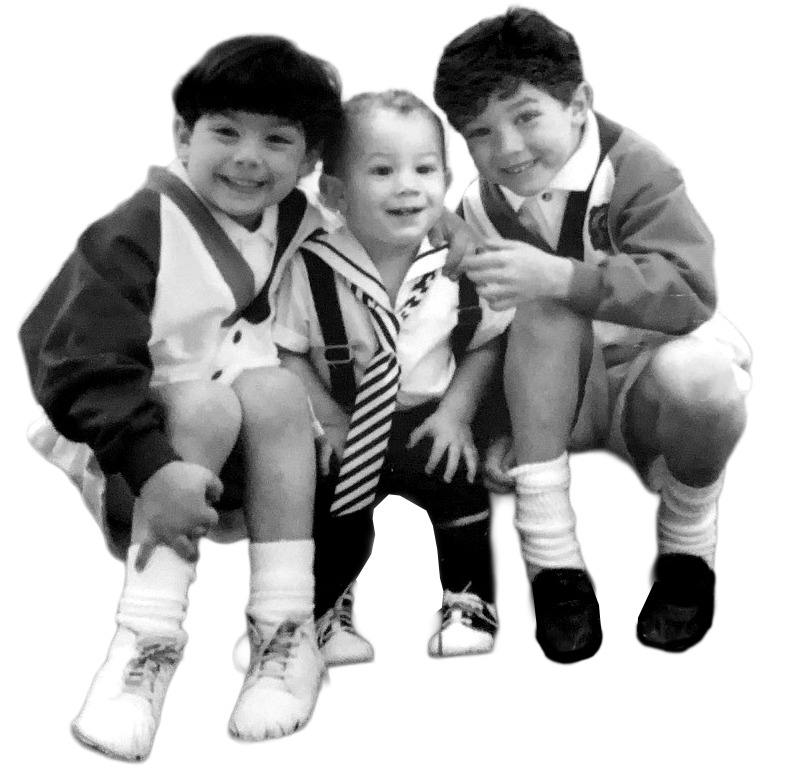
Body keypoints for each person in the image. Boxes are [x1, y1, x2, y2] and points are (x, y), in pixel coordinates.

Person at [16, 32, 348, 763]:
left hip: (244, 462)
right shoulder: (136, 226)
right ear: (181, 134)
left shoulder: (297, 213)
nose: (249, 158)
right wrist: (150, 463)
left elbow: (388, 215)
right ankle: (143, 641)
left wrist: (452, 225)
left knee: (276, 390)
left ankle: (285, 631)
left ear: (307, 158)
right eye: (225, 131)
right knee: (205, 404)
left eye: (277, 139)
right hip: (138, 457)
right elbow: (69, 355)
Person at [432, 2, 752, 655]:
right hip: (563, 403)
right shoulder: (472, 205)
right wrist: (498, 426)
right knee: (544, 311)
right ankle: (554, 563)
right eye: (480, 132)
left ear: (578, 103)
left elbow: (692, 292)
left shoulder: (637, 167)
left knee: (706, 381)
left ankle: (687, 547)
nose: (508, 148)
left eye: (526, 117)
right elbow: (481, 331)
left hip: (649, 389)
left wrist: (565, 276)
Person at [273, 86, 513, 672]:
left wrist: (456, 412)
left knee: (454, 480)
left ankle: (469, 599)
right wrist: (328, 418)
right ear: (335, 192)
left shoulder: (459, 265)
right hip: (344, 416)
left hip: (426, 414)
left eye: (425, 169)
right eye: (382, 171)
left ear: (446, 179)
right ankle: (331, 612)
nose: (408, 186)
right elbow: (288, 350)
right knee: (324, 497)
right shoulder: (311, 267)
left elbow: (487, 342)